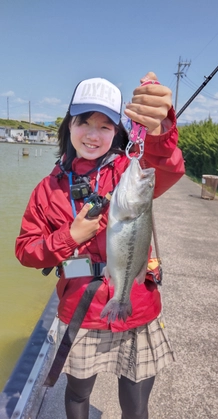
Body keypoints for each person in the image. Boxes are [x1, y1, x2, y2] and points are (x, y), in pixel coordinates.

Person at [15, 72, 185, 419]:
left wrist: (160, 128)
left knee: (136, 405)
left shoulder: (129, 169)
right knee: (77, 394)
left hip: (136, 307)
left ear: (118, 133)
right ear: (69, 126)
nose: (93, 134)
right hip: (81, 310)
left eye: (106, 126)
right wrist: (69, 237)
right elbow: (25, 251)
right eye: (84, 122)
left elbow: (166, 165)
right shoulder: (47, 190)